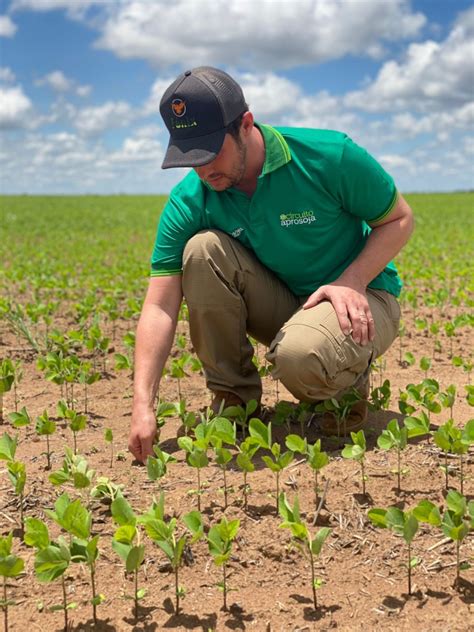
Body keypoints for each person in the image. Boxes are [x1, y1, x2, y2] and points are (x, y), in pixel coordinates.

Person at [128, 66, 414, 464]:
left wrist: (352, 280)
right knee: (201, 250)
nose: (204, 171)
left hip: (363, 298)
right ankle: (234, 400)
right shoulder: (192, 198)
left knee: (302, 358)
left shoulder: (330, 156)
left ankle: (342, 384)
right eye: (190, 159)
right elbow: (159, 306)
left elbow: (399, 219)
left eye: (211, 152)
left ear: (245, 124)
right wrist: (143, 403)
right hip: (285, 302)